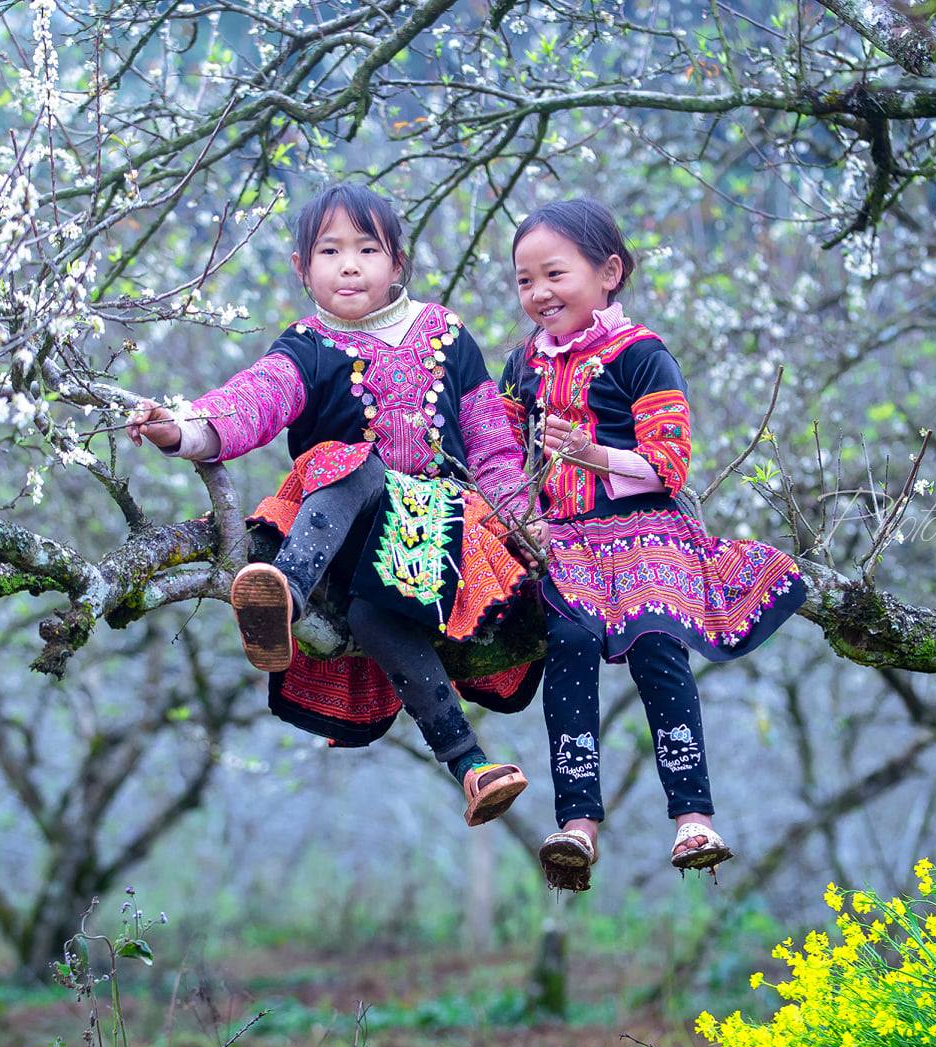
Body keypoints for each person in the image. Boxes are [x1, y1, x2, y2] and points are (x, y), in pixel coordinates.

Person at [128, 184, 537, 826]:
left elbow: (492, 447)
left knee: (376, 617)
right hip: (339, 539)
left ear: (397, 262)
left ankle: (470, 765)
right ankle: (280, 597)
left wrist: (527, 531)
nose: (349, 265)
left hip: (432, 540)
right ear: (302, 267)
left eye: (367, 249)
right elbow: (251, 403)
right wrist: (180, 429)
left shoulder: (448, 335)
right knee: (350, 462)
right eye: (330, 251)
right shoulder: (307, 344)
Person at [502, 199, 806, 890]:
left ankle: (694, 817)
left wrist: (592, 455)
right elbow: (500, 452)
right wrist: (519, 513)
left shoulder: (642, 355)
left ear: (608, 272)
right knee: (568, 645)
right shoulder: (523, 365)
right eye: (524, 280)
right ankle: (578, 823)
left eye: (555, 273)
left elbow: (668, 464)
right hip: (565, 541)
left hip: (645, 534)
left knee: (658, 645)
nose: (539, 292)